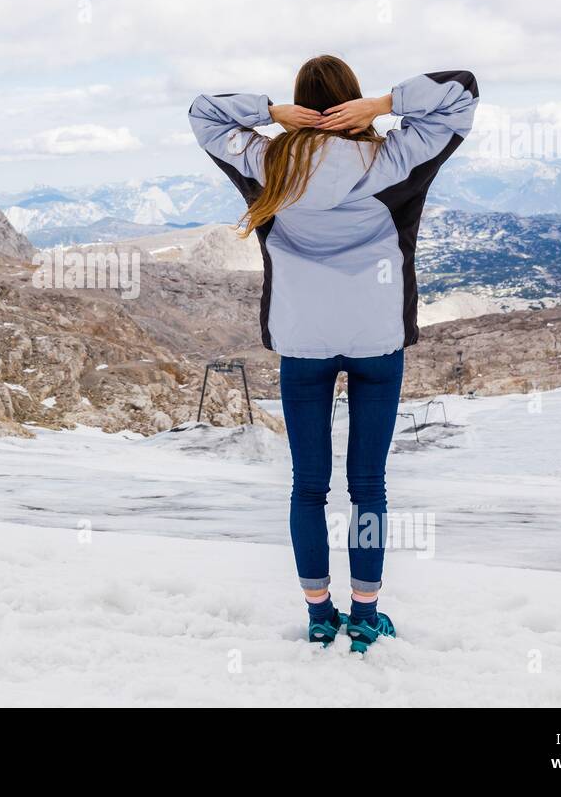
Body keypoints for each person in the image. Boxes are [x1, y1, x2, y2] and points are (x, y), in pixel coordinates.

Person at [188, 57, 478, 651]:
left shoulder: (269, 165)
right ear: (350, 101)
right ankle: (366, 615)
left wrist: (268, 115)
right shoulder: (396, 158)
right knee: (368, 486)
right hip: (377, 340)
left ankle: (320, 612)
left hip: (303, 343)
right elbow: (462, 93)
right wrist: (385, 105)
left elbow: (203, 113)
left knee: (308, 486)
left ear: (301, 103)